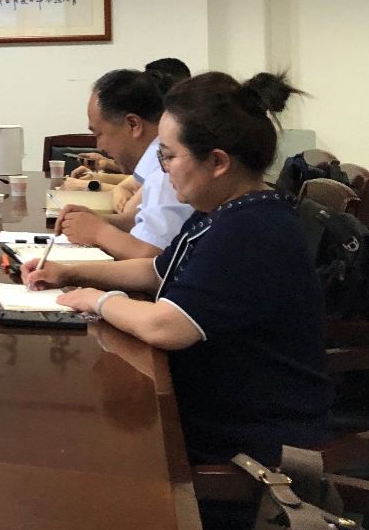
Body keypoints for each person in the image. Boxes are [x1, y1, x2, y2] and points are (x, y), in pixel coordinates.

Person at [24, 71, 332, 470]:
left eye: (169, 156)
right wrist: (70, 272)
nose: (164, 169)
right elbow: (157, 270)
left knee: (82, 446)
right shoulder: (224, 211)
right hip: (217, 410)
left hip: (250, 444)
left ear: (217, 162)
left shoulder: (251, 230)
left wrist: (97, 301)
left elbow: (164, 326)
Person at [53, 68, 194, 258]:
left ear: (133, 125)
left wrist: (98, 231)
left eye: (99, 134)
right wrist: (91, 220)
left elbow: (152, 258)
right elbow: (137, 222)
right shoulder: (157, 163)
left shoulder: (166, 171)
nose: (99, 146)